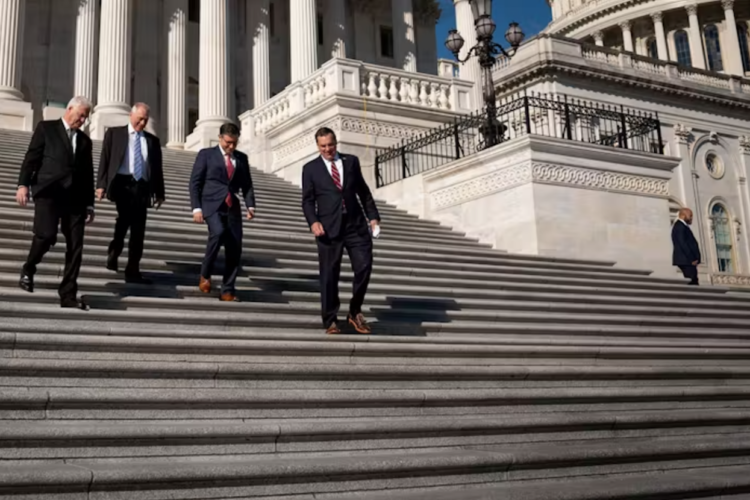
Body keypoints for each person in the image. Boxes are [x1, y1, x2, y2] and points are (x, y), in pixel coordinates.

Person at [16, 96, 95, 310]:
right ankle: (29, 268)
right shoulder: (46, 128)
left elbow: (87, 174)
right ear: (70, 109)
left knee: (76, 247)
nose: (83, 121)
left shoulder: (85, 141)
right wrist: (23, 185)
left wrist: (90, 204)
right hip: (49, 192)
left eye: (85, 118)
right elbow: (31, 158)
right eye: (81, 115)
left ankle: (68, 294)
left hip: (75, 199)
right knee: (46, 236)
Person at [302, 127, 381, 335]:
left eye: (331, 145)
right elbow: (308, 201)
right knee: (329, 275)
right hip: (328, 229)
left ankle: (354, 312)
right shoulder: (310, 169)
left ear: (336, 142)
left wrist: (373, 217)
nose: (328, 149)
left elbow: (363, 192)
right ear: (318, 146)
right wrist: (313, 221)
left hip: (355, 225)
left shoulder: (351, 162)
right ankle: (330, 320)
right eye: (323, 146)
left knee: (364, 266)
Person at [96, 103, 165, 284]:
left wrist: (160, 192)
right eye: (139, 119)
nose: (142, 123)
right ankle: (115, 249)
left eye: (145, 120)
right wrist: (101, 184)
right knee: (125, 219)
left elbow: (157, 169)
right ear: (131, 115)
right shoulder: (114, 133)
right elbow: (105, 159)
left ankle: (133, 269)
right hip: (122, 184)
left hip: (142, 186)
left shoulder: (152, 141)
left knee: (138, 229)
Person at [189, 123, 255, 302]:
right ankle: (205, 273)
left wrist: (250, 205)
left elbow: (247, 184)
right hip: (211, 205)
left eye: (234, 143)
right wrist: (196, 208)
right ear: (220, 138)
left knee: (235, 248)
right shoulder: (206, 155)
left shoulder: (241, 158)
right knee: (217, 233)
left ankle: (227, 290)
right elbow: (195, 182)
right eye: (228, 142)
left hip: (232, 206)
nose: (231, 146)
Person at [672, 207, 701, 285]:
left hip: (687, 260)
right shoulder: (679, 226)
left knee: (693, 279)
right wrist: (692, 258)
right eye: (690, 215)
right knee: (692, 280)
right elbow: (683, 243)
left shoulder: (683, 226)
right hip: (686, 260)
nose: (691, 218)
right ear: (683, 215)